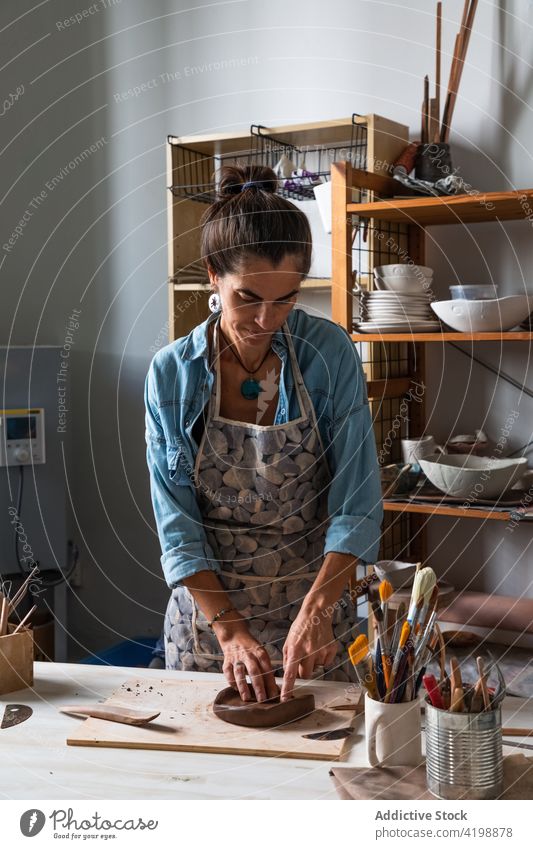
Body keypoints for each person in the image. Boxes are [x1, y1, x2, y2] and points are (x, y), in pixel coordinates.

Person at [144, 164, 382, 703]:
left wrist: (319, 611)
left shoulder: (329, 355)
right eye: (247, 297)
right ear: (211, 274)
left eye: (287, 298)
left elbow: (358, 501)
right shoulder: (170, 374)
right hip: (209, 626)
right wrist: (229, 630)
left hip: (316, 619)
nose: (267, 318)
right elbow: (177, 522)